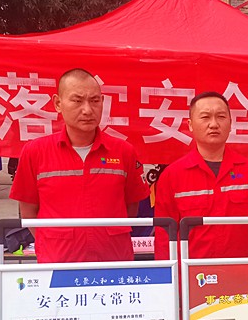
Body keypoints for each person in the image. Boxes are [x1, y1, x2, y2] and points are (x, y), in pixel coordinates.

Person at [10, 69, 150, 263]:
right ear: (58, 103)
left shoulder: (123, 151)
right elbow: (28, 212)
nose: (87, 110)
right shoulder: (35, 152)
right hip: (58, 261)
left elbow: (131, 207)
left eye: (95, 100)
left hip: (114, 260)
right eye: (77, 100)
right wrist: (53, 240)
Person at [154, 91, 248, 259]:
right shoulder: (172, 175)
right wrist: (169, 271)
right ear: (190, 125)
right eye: (205, 117)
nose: (214, 124)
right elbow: (164, 235)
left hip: (241, 270)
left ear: (230, 123)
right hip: (193, 271)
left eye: (221, 117)